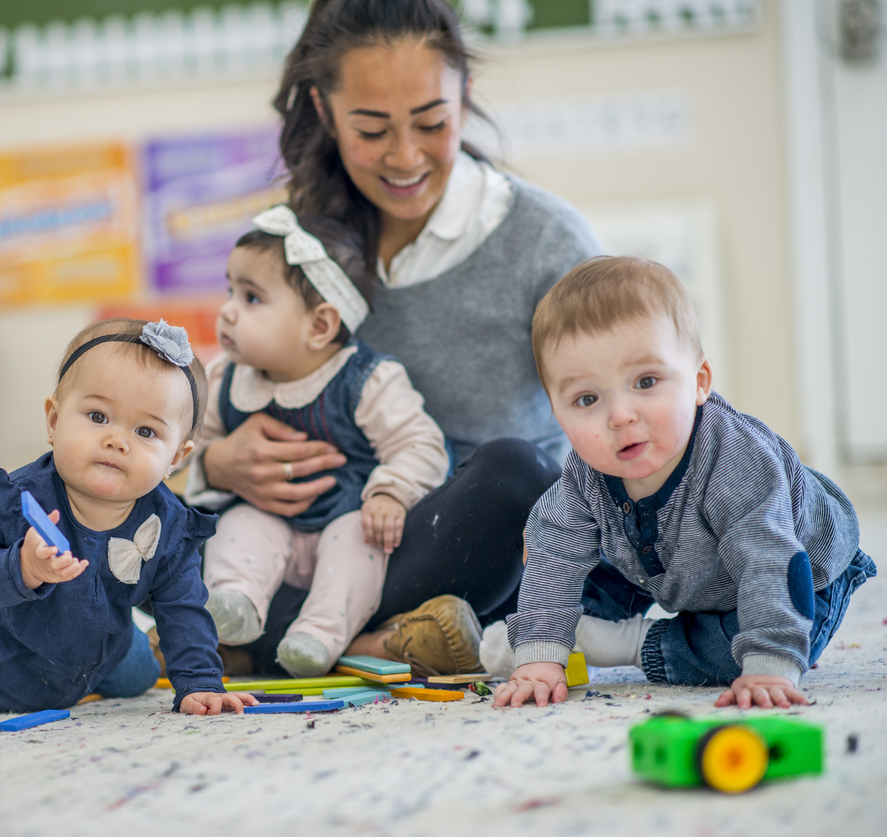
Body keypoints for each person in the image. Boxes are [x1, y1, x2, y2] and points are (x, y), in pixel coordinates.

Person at [185, 0, 602, 674]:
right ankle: (375, 642)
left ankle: (277, 639)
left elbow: (618, 413)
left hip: (457, 544)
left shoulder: (547, 242)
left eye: (431, 123)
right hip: (302, 539)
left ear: (464, 99)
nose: (405, 157)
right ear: (323, 111)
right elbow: (219, 388)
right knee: (159, 527)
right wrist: (216, 463)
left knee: (518, 474)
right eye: (372, 129)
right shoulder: (299, 241)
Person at [490, 256, 877, 709]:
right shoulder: (585, 473)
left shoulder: (737, 462)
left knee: (748, 653)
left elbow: (769, 560)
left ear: (699, 381)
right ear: (557, 413)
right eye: (587, 398)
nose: (620, 416)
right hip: (669, 557)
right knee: (574, 559)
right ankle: (555, 636)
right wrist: (538, 657)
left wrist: (768, 666)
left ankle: (633, 642)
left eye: (646, 381)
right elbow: (553, 551)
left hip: (796, 565)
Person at [0, 319, 256, 716]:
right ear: (54, 421)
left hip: (91, 637)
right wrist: (24, 566)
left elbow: (183, 607)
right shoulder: (20, 499)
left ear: (176, 458)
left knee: (140, 678)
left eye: (146, 431)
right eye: (98, 416)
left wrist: (200, 682)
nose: (117, 441)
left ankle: (124, 648)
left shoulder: (169, 525)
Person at [196, 206, 449, 677]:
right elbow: (185, 449)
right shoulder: (224, 379)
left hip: (346, 516)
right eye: (231, 290)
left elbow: (421, 445)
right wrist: (212, 460)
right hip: (269, 523)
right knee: (239, 525)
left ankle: (317, 636)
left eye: (251, 297)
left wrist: (390, 490)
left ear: (319, 326)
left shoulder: (367, 380)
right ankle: (235, 603)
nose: (227, 309)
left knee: (359, 545)